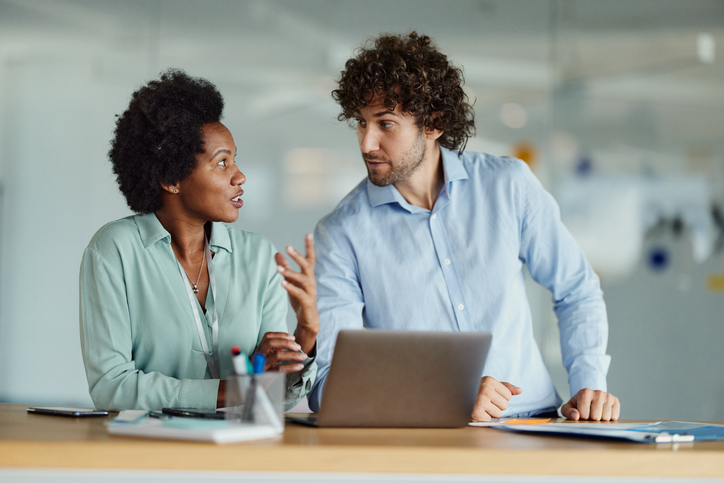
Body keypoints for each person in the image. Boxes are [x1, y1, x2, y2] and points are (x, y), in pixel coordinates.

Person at [309, 32, 620, 422]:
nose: (367, 143)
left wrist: (589, 384)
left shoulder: (509, 185)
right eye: (360, 123)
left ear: (434, 123)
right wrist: (444, 394)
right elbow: (330, 386)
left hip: (541, 424)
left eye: (385, 124)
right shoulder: (340, 234)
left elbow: (576, 289)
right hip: (434, 438)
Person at [80, 69, 319, 411]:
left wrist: (306, 333)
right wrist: (235, 391)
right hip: (147, 452)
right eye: (222, 162)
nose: (240, 176)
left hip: (238, 451)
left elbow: (272, 398)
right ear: (170, 177)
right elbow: (111, 386)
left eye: (235, 159)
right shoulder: (115, 250)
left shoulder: (258, 255)